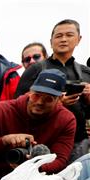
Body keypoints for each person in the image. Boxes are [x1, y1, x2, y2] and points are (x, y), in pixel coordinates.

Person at [0, 69, 77, 180]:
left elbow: (60, 161)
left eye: (48, 99)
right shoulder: (0, 110)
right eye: (36, 95)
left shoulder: (66, 120)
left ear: (60, 99)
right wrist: (5, 141)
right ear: (29, 92)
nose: (39, 102)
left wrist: (28, 166)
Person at [16, 19, 90, 162]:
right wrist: (56, 102)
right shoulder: (35, 69)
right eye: (58, 36)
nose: (63, 39)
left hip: (78, 140)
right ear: (51, 41)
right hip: (42, 139)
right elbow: (18, 104)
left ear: (79, 39)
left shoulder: (86, 72)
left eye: (69, 35)